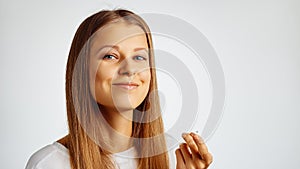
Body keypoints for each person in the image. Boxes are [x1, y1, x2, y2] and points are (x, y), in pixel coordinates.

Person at [25, 9, 213, 169]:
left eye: (139, 58)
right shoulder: (49, 164)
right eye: (110, 56)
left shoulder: (174, 156)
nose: (130, 69)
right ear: (80, 70)